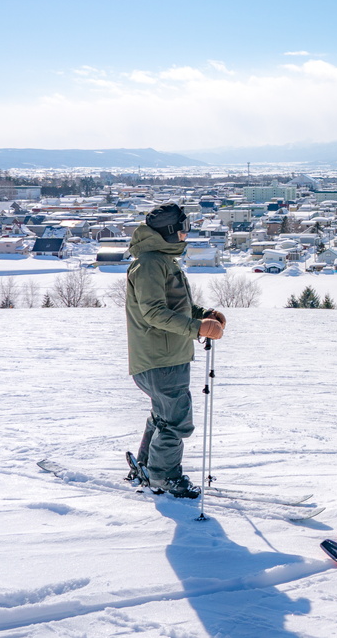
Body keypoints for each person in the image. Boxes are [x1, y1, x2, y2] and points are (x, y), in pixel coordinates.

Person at [124, 202, 225, 498]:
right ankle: (164, 477)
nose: (186, 233)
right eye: (184, 228)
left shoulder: (160, 260)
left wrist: (203, 314)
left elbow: (174, 306)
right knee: (176, 421)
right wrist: (198, 328)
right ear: (169, 232)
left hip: (164, 357)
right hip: (160, 359)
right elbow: (153, 312)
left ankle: (145, 466)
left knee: (162, 417)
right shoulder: (150, 264)